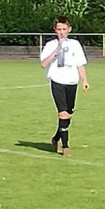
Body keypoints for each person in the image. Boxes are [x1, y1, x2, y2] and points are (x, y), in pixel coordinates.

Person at [39, 16, 89, 157]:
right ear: (55, 30)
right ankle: (65, 146)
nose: (62, 32)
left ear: (69, 29)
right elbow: (43, 64)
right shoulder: (50, 45)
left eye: (64, 29)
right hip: (58, 81)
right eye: (59, 29)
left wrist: (84, 80)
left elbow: (80, 64)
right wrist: (57, 48)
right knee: (63, 113)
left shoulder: (75, 44)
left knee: (68, 116)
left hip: (72, 82)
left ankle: (56, 138)